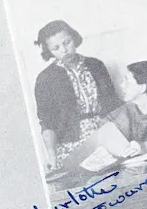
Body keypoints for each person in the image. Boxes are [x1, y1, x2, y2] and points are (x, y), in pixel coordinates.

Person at [33, 19, 120, 170]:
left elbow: (113, 104)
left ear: (74, 38)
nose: (64, 50)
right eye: (56, 48)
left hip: (105, 134)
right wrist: (52, 156)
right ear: (49, 51)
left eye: (67, 42)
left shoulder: (96, 65)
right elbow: (47, 121)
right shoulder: (45, 79)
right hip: (71, 144)